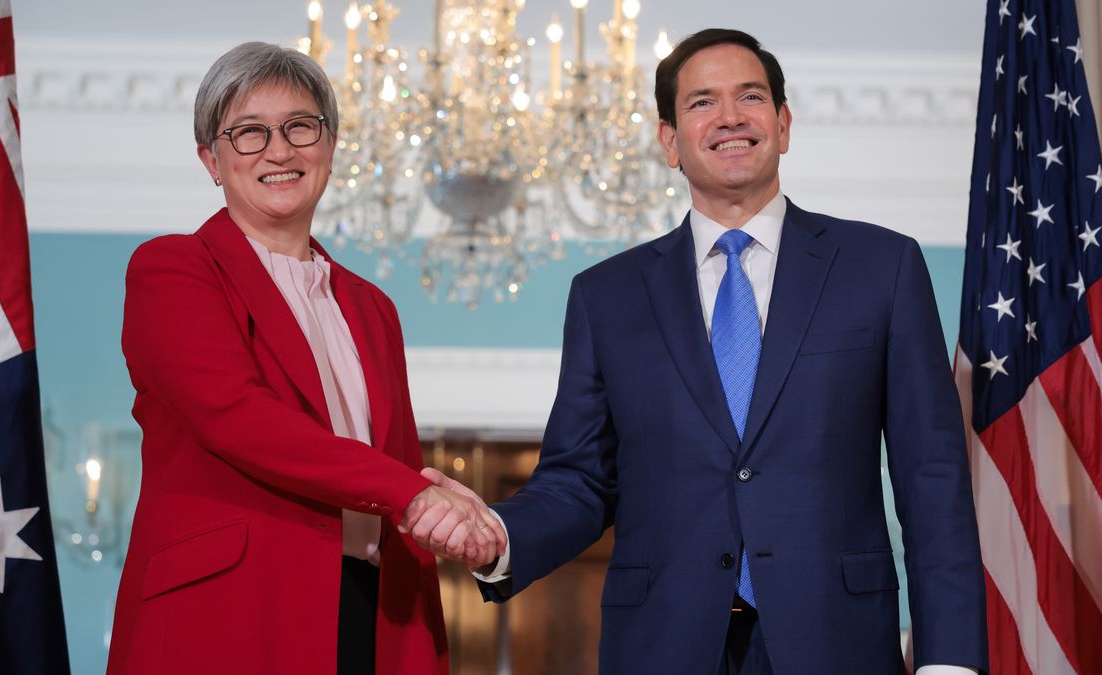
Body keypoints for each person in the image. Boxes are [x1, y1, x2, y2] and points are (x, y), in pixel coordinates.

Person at [410, 29, 988, 674]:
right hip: (662, 645)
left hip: (838, 641)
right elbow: (581, 480)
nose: (731, 117)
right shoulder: (607, 296)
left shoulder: (883, 268)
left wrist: (951, 660)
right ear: (669, 141)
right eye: (702, 103)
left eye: (751, 97)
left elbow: (931, 477)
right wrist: (500, 534)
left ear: (783, 123)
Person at [106, 42, 503, 675]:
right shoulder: (173, 268)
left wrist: (453, 524)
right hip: (229, 611)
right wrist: (416, 494)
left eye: (299, 126)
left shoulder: (372, 307)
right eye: (248, 133)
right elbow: (236, 416)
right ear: (212, 160)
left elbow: (395, 463)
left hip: (371, 613)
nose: (279, 150)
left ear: (330, 143)